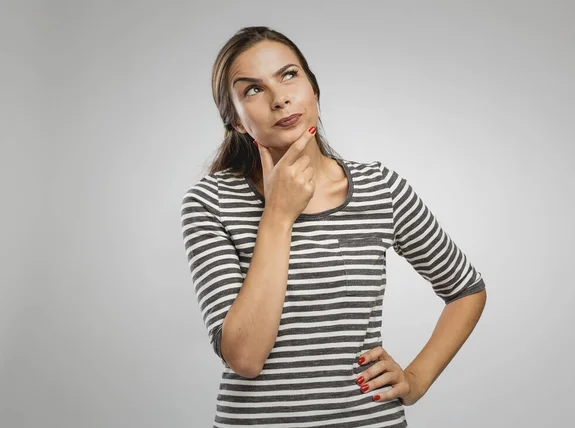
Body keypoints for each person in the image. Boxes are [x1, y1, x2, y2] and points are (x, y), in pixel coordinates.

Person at [180, 26, 487, 428]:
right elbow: (245, 358)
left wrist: (416, 380)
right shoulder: (210, 203)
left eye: (289, 75)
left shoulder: (381, 188)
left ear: (314, 89)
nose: (279, 98)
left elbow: (465, 290)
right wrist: (277, 214)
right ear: (235, 121)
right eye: (252, 90)